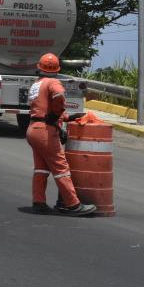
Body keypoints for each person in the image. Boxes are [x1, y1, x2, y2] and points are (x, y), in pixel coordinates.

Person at [26, 53, 96, 216]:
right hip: (45, 131)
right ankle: (73, 205)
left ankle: (39, 203)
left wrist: (68, 117)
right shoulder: (53, 82)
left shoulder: (37, 84)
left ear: (39, 68)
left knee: (41, 169)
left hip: (33, 129)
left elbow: (42, 109)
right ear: (57, 69)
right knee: (61, 168)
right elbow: (59, 96)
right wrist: (57, 115)